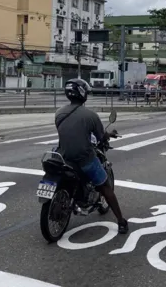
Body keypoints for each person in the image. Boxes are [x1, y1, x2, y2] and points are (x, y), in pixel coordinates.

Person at [55, 78, 129, 234]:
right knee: (105, 187)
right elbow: (101, 137)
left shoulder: (59, 113)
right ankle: (121, 221)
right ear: (83, 94)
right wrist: (109, 135)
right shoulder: (91, 116)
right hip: (84, 159)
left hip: (63, 157)